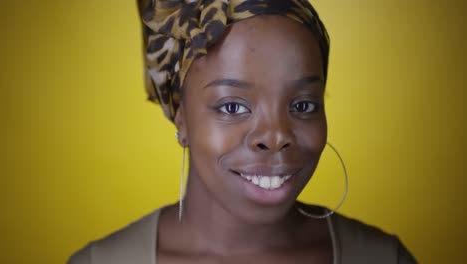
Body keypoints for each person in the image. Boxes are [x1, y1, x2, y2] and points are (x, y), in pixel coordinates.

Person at [69, 0, 417, 263]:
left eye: (303, 105)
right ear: (181, 117)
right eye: (232, 106)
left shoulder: (382, 258)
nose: (276, 135)